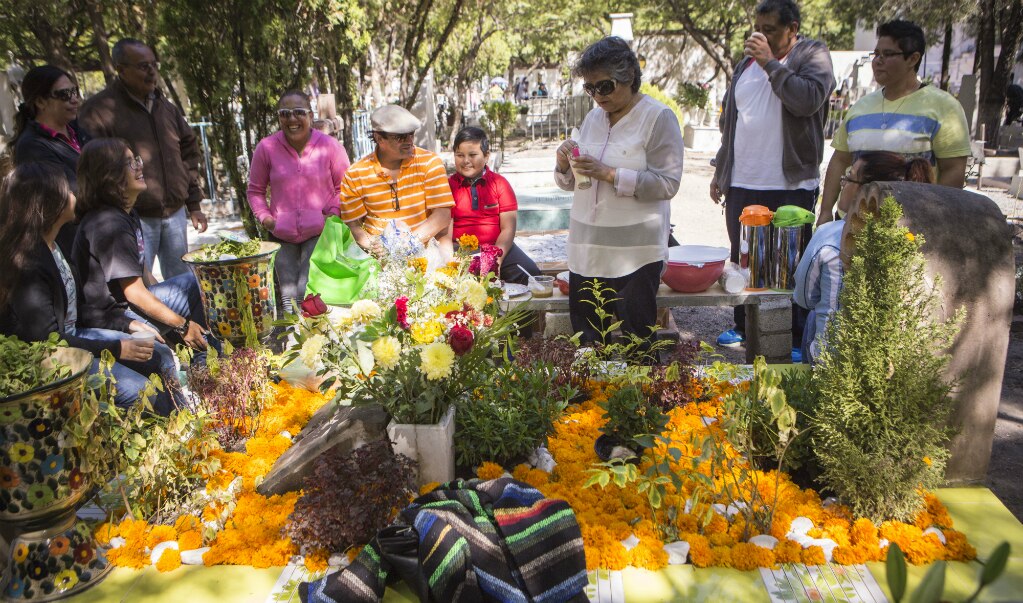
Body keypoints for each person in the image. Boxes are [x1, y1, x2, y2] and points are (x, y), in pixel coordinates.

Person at [710, 0, 836, 358]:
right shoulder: (744, 66)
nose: (760, 36)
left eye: (770, 30)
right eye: (758, 28)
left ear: (792, 28)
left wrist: (770, 63)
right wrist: (721, 170)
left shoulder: (812, 55)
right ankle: (744, 326)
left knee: (790, 265)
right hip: (743, 180)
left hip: (790, 182)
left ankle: (793, 337)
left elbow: (807, 100)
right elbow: (730, 123)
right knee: (745, 258)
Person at [0, 162, 179, 413]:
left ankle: (184, 421)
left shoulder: (53, 246)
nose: (73, 194)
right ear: (49, 202)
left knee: (159, 354)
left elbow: (81, 311)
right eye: (67, 190)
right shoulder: (28, 263)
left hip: (75, 338)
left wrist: (126, 325)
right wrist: (118, 348)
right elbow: (47, 342)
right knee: (140, 391)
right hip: (53, 359)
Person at [554, 36, 684, 349]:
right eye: (590, 88)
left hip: (635, 257)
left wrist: (610, 174)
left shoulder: (658, 117)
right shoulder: (593, 118)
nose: (598, 96)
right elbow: (578, 182)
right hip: (586, 252)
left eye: (605, 86)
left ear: (629, 77)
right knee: (589, 348)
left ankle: (643, 386)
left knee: (638, 346)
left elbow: (667, 183)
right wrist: (563, 165)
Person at [79, 38, 207, 279]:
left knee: (183, 283)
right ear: (121, 69)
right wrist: (117, 210)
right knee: (138, 285)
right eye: (143, 66)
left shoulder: (166, 108)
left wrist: (194, 204)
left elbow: (189, 152)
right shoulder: (99, 111)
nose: (151, 72)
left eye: (154, 65)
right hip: (132, 218)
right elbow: (95, 168)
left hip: (174, 214)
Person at [73, 138, 211, 362]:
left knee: (197, 282)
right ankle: (204, 362)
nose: (139, 166)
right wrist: (182, 325)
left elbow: (145, 276)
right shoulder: (109, 223)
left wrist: (175, 326)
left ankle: (201, 359)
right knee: (194, 285)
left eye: (136, 160)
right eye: (130, 163)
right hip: (112, 318)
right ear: (110, 175)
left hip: (126, 308)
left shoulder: (126, 213)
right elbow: (134, 293)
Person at [819, 20, 970, 222]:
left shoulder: (944, 108)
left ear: (913, 59)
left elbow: (953, 169)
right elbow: (840, 160)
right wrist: (826, 211)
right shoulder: (860, 108)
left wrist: (934, 220)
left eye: (888, 54)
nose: (877, 61)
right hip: (851, 225)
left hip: (909, 226)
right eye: (876, 54)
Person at [793, 151, 934, 364]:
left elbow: (803, 298)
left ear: (866, 190)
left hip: (829, 364)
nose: (842, 183)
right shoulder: (914, 240)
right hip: (894, 363)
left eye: (849, 178)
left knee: (814, 316)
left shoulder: (829, 236)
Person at [247, 90, 351, 312]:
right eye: (284, 113)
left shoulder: (330, 146)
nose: (292, 119)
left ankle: (310, 332)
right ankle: (292, 332)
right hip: (281, 234)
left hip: (319, 234)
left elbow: (345, 187)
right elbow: (255, 190)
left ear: (310, 115)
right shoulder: (267, 148)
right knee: (287, 295)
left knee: (306, 290)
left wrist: (331, 215)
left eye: (299, 112)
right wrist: (267, 219)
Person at [338, 104, 454, 256]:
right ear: (379, 138)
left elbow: (442, 215)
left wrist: (408, 243)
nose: (409, 141)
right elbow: (352, 225)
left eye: (411, 134)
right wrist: (375, 246)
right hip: (379, 256)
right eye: (400, 137)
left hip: (425, 254)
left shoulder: (429, 162)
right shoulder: (356, 174)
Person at [11, 65, 90, 256]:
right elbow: (70, 196)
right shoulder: (31, 146)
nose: (74, 99)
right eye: (64, 94)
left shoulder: (75, 129)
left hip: (102, 233)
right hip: (77, 244)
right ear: (40, 101)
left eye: (74, 91)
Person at [448, 127, 539, 285]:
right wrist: (453, 259)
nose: (466, 161)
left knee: (531, 275)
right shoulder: (448, 186)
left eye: (472, 155)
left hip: (497, 248)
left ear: (486, 156)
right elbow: (445, 232)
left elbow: (508, 228)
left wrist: (495, 260)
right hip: (460, 252)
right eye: (460, 155)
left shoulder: (499, 183)